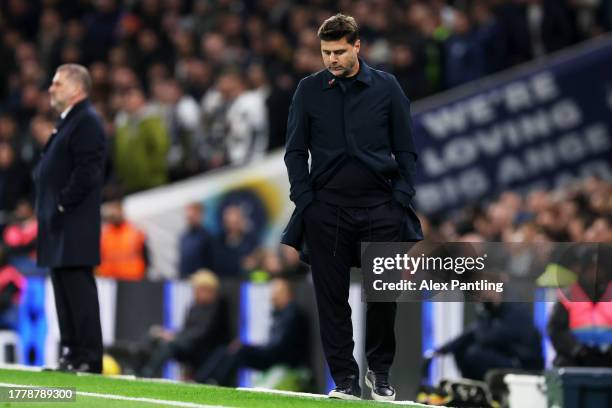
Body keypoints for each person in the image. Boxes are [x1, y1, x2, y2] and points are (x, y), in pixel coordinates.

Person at [281, 14, 423, 401]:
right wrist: (305, 201)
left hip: (381, 206)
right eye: (326, 52)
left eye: (339, 51)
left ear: (357, 46)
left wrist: (401, 199)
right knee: (331, 300)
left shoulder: (387, 87)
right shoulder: (308, 91)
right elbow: (294, 151)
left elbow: (407, 149)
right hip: (326, 209)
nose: (331, 59)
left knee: (383, 295)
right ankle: (345, 378)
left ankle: (380, 374)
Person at [34, 64, 106, 373]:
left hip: (74, 223)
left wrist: (62, 204)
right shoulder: (68, 122)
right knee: (64, 291)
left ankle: (88, 356)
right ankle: (73, 353)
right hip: (60, 225)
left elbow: (88, 172)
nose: (51, 89)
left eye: (57, 83)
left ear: (77, 89)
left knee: (78, 291)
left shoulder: (86, 121)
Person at [195, 278, 309, 386]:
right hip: (274, 354)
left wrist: (255, 348)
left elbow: (278, 346)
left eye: (276, 293)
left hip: (283, 360)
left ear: (286, 294)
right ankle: (203, 379)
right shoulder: (281, 313)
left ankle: (215, 381)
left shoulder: (291, 315)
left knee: (241, 350)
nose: (272, 297)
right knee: (225, 349)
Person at [140, 269, 230, 378]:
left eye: (198, 289)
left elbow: (203, 333)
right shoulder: (194, 307)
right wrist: (170, 334)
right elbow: (186, 329)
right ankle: (139, 369)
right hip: (187, 343)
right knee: (155, 336)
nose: (195, 292)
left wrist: (175, 338)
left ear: (209, 290)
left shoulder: (218, 307)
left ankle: (148, 373)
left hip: (203, 348)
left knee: (170, 345)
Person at [97, 199, 149, 281]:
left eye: (116, 210)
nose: (113, 213)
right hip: (109, 280)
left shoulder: (135, 232)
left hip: (132, 279)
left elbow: (146, 257)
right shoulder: (104, 234)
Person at [178, 202, 214, 279]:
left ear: (200, 215)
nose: (190, 216)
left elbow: (212, 263)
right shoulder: (183, 236)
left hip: (201, 282)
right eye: (188, 214)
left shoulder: (207, 237)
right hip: (184, 279)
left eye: (193, 214)